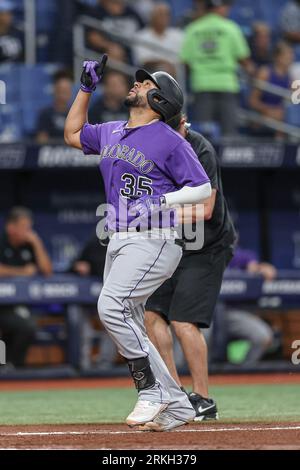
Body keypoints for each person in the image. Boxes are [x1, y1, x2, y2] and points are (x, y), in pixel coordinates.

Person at [65, 55, 212, 431]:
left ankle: (151, 391)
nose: (137, 83)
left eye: (147, 84)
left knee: (111, 305)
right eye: (140, 80)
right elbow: (73, 134)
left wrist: (162, 201)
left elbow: (202, 188)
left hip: (155, 239)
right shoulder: (113, 130)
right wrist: (85, 89)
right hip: (120, 239)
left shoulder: (168, 138)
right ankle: (178, 404)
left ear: (161, 101)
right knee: (127, 318)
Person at [145, 114, 236, 421]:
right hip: (173, 246)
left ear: (183, 123)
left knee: (183, 321)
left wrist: (153, 213)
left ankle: (203, 399)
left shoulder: (200, 149)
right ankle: (175, 395)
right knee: (151, 314)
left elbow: (206, 209)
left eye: (174, 128)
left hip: (208, 247)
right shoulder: (152, 151)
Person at [180, 0, 253, 136]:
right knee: (229, 132)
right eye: (226, 6)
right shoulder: (230, 27)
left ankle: (202, 158)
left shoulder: (193, 28)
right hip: (227, 83)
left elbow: (185, 61)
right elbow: (244, 58)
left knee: (202, 133)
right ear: (219, 8)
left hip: (202, 84)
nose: (227, 10)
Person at [0, 207, 52, 368]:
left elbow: (47, 271)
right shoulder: (2, 241)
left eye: (29, 228)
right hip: (2, 304)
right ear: (11, 227)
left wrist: (37, 243)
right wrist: (21, 272)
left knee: (27, 325)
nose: (28, 232)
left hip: (19, 304)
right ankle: (8, 365)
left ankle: (13, 366)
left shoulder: (29, 245)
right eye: (24, 228)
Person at [215, 247, 275, 365]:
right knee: (197, 339)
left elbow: (256, 267)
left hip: (232, 313)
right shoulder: (202, 253)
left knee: (263, 336)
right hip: (204, 313)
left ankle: (243, 372)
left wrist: (262, 268)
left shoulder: (241, 256)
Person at [249, 42, 294, 138]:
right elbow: (253, 101)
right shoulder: (264, 73)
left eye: (291, 55)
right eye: (287, 55)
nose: (290, 58)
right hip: (263, 114)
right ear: (278, 57)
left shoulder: (290, 77)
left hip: (281, 116)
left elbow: (290, 103)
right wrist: (268, 110)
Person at [134, 3, 183, 76]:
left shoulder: (179, 35)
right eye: (160, 14)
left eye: (166, 14)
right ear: (152, 16)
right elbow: (143, 61)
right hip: (150, 76)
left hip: (176, 76)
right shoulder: (141, 36)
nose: (164, 17)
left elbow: (183, 59)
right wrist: (164, 63)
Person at [36, 70, 73, 144]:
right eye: (61, 90)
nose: (64, 94)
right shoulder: (45, 114)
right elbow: (41, 140)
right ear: (55, 91)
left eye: (66, 91)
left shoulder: (75, 115)